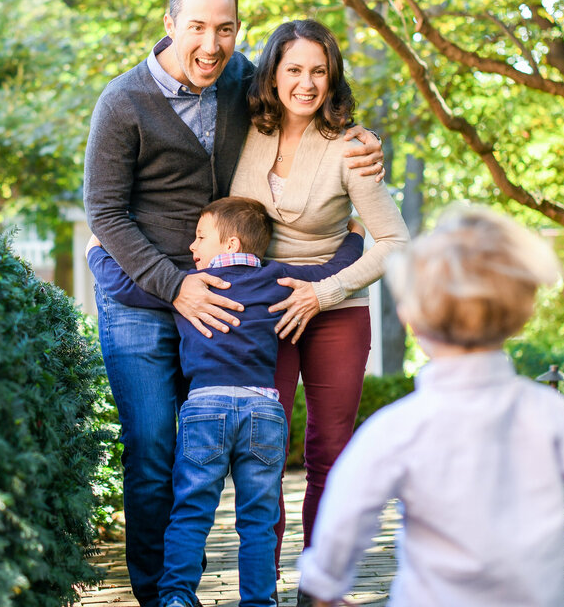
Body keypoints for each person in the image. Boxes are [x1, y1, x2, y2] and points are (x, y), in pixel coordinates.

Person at [83, 0, 383, 607]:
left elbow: (307, 92)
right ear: (170, 25)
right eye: (196, 27)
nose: (211, 44)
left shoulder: (243, 80)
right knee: (155, 447)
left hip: (227, 298)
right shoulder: (123, 101)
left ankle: (261, 591)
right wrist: (177, 286)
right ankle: (159, 595)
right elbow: (104, 213)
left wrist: (361, 142)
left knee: (230, 441)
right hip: (144, 294)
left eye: (224, 29)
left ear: (237, 32)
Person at [297, 205, 564, 607]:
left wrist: (325, 582)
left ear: (412, 318)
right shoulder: (548, 412)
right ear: (522, 314)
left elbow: (349, 505)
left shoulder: (398, 426)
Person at [87, 197, 366, 607]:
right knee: (259, 521)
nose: (192, 247)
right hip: (263, 411)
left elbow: (125, 286)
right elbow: (331, 272)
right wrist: (355, 236)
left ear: (231, 244)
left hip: (205, 411)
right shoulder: (277, 278)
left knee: (191, 512)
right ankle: (258, 602)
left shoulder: (190, 286)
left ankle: (176, 596)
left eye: (201, 237)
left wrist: (96, 252)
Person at [228, 19, 409, 585]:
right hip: (264, 312)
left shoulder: (352, 147)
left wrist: (324, 292)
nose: (306, 83)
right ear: (272, 75)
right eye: (294, 70)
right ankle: (260, 586)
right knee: (261, 453)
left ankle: (321, 584)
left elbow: (395, 242)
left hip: (337, 312)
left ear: (332, 78)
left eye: (319, 71)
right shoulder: (241, 130)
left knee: (330, 452)